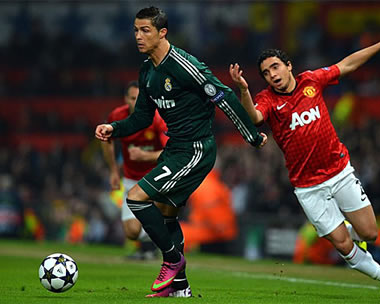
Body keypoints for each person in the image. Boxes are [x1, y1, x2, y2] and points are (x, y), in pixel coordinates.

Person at [95, 6, 267, 298]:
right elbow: (142, 119)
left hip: (196, 149)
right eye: (136, 30)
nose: (138, 36)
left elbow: (222, 95)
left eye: (145, 30)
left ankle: (172, 259)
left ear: (162, 33)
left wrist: (251, 135)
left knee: (136, 199)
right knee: (166, 216)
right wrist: (115, 128)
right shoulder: (147, 70)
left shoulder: (185, 65)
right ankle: (181, 288)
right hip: (175, 148)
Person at [229, 30, 380, 300]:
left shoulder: (311, 80)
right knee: (342, 245)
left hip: (339, 172)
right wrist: (243, 89)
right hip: (307, 186)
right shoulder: (267, 99)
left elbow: (346, 64)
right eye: (265, 72)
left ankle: (348, 229)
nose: (272, 74)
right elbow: (253, 117)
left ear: (288, 66)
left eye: (275, 66)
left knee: (370, 233)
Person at [101, 80, 168, 259]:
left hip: (155, 178)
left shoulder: (157, 119)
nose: (136, 102)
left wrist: (145, 156)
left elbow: (171, 151)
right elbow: (106, 140)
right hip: (130, 179)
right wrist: (114, 170)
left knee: (159, 211)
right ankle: (151, 244)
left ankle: (155, 248)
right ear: (126, 99)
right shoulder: (117, 116)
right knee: (131, 232)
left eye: (140, 98)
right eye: (132, 98)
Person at [180, 169, 238, 252]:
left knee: (178, 232)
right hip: (219, 231)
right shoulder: (212, 183)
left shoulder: (205, 185)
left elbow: (212, 211)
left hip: (214, 233)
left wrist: (221, 229)